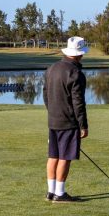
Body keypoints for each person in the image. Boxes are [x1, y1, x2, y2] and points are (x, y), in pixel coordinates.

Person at [43, 36, 89, 203]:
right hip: (69, 122)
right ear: (79, 54)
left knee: (53, 155)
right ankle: (60, 194)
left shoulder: (51, 68)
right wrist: (83, 125)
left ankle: (50, 192)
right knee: (64, 157)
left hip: (53, 120)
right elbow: (78, 102)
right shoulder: (76, 73)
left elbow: (45, 95)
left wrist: (53, 112)